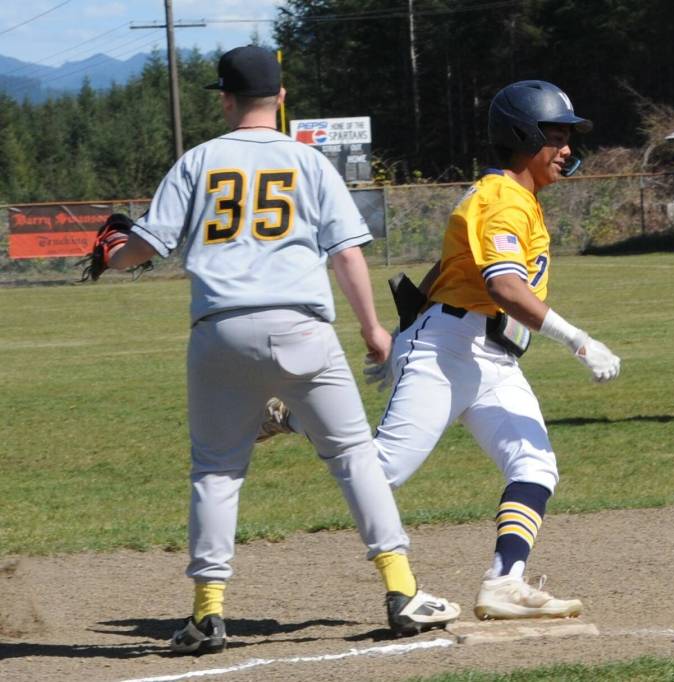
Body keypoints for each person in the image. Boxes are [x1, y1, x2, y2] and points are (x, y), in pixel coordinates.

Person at [103, 45, 459, 655]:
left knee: (216, 470)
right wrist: (374, 330)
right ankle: (402, 591)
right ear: (282, 98)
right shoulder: (310, 161)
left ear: (225, 99)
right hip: (303, 329)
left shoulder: (199, 160)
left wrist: (111, 254)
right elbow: (345, 253)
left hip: (220, 330)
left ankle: (207, 614)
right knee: (353, 456)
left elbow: (144, 246)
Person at [262, 80, 621, 620]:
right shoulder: (503, 201)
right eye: (557, 133)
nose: (568, 146)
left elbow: (448, 270)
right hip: (450, 350)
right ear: (524, 135)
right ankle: (300, 416)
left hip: (491, 357)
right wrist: (579, 342)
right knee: (382, 471)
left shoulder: (513, 199)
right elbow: (504, 287)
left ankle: (504, 581)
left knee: (535, 463)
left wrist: (402, 334)